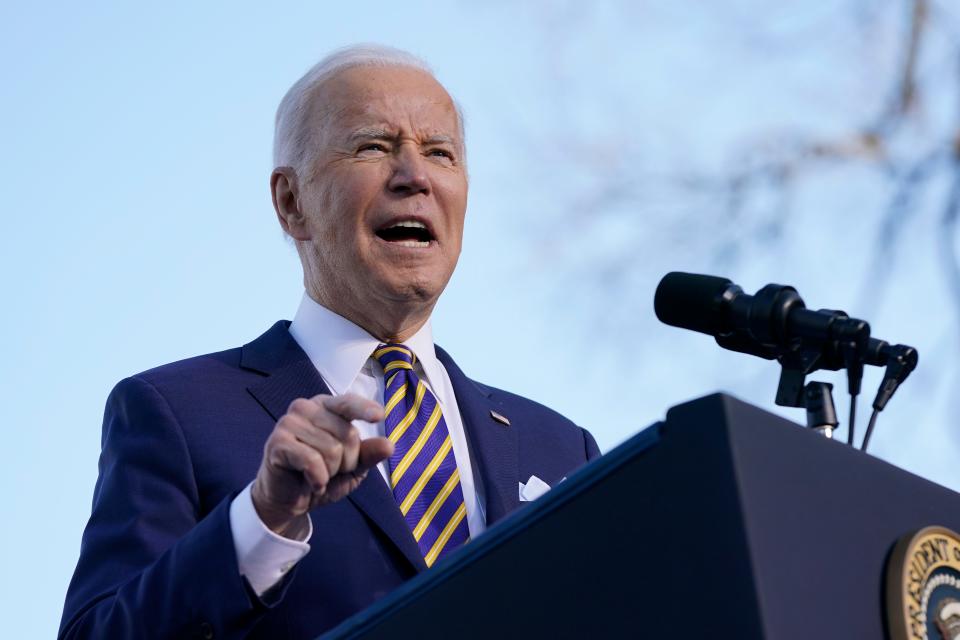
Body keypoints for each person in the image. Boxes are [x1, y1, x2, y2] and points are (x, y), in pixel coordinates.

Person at [59, 44, 600, 639]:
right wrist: (264, 516)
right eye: (373, 146)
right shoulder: (178, 414)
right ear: (292, 202)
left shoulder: (560, 446)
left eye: (440, 153)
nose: (415, 177)